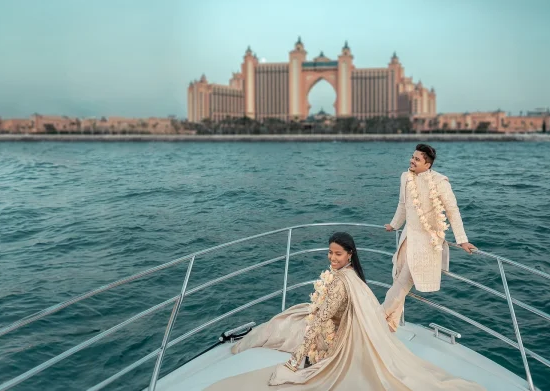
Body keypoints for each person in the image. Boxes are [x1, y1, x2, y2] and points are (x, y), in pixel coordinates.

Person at [204, 232, 484, 391]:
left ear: (350, 254)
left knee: (280, 327)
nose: (332, 258)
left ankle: (248, 343)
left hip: (329, 336)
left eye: (337, 254)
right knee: (288, 319)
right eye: (329, 253)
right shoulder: (352, 277)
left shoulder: (341, 283)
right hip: (335, 327)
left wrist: (296, 361)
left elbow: (319, 322)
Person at [382, 143, 477, 332]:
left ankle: (375, 320)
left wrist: (462, 240)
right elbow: (403, 205)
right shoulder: (405, 178)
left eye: (417, 159)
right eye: (412, 156)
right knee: (398, 277)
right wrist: (394, 225)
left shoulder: (440, 182)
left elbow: (452, 211)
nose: (412, 160)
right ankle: (390, 325)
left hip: (427, 242)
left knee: (402, 283)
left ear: (428, 164)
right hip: (408, 238)